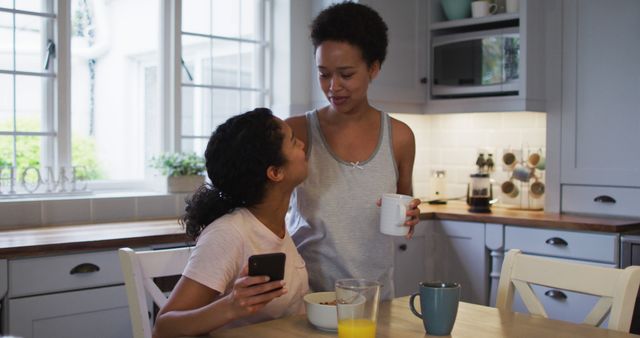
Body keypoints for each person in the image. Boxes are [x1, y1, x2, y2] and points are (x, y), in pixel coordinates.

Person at [286, 2, 421, 301]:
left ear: (373, 68)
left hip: (376, 300)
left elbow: (403, 204)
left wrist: (410, 216)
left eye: (346, 74)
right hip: (307, 300)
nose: (333, 87)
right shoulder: (296, 133)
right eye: (324, 74)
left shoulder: (399, 137)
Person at [153, 108, 309, 338]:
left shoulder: (276, 225)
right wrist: (231, 306)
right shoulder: (228, 233)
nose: (303, 145)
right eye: (294, 142)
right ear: (275, 172)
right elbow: (163, 329)